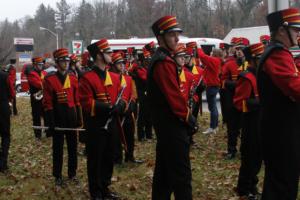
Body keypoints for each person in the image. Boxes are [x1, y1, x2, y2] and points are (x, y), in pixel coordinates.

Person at [148, 15, 198, 200]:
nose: (177, 39)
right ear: (160, 38)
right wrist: (189, 118)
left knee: (164, 176)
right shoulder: (164, 62)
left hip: (166, 126)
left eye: (177, 34)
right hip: (172, 127)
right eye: (171, 35)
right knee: (181, 177)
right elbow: (174, 99)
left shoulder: (162, 59)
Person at [257, 7, 300, 200]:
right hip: (280, 131)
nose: (299, 33)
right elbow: (295, 87)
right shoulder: (277, 54)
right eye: (295, 29)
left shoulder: (281, 52)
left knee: (282, 182)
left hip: (282, 128)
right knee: (282, 185)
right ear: (282, 30)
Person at [79, 39, 126, 200]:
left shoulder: (114, 76)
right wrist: (106, 107)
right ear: (99, 55)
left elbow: (122, 98)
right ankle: (96, 192)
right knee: (95, 160)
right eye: (107, 52)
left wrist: (120, 106)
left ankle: (105, 188)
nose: (111, 55)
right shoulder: (87, 78)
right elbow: (86, 102)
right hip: (96, 126)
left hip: (112, 124)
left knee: (109, 157)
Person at [43, 48, 82, 186]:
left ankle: (72, 173)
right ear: (57, 62)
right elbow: (47, 103)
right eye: (62, 61)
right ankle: (58, 175)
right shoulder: (50, 79)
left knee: (73, 148)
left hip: (71, 117)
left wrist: (79, 119)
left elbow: (77, 100)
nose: (65, 63)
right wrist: (51, 122)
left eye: (67, 60)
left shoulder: (72, 77)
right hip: (58, 118)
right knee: (58, 149)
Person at [233, 43, 264, 200]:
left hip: (260, 122)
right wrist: (260, 101)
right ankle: (244, 189)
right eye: (260, 58)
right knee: (249, 158)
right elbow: (239, 102)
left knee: (258, 157)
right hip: (250, 123)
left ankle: (252, 184)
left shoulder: (261, 75)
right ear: (253, 60)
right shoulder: (246, 77)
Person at [110, 52, 142, 164]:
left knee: (129, 135)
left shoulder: (128, 79)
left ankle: (130, 156)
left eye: (122, 63)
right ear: (113, 65)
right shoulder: (109, 78)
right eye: (119, 63)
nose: (122, 65)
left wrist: (131, 106)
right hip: (116, 112)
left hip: (128, 112)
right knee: (116, 137)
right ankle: (117, 159)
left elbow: (133, 95)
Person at [197, 47, 222, 135]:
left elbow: (202, 56)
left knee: (212, 108)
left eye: (211, 52)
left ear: (215, 54)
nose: (210, 53)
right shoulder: (216, 61)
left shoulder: (214, 60)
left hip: (211, 87)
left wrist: (198, 47)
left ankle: (212, 127)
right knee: (213, 107)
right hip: (213, 86)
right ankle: (215, 126)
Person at [27, 57, 48, 139]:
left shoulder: (44, 73)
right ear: (35, 65)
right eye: (39, 65)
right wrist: (45, 84)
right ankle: (38, 135)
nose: (40, 66)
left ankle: (47, 132)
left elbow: (45, 82)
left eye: (41, 65)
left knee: (46, 115)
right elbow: (38, 84)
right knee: (36, 117)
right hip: (36, 98)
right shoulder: (31, 74)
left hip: (45, 98)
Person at [0, 63, 15, 172]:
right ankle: (3, 162)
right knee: (5, 135)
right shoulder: (5, 76)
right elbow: (12, 92)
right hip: (3, 106)